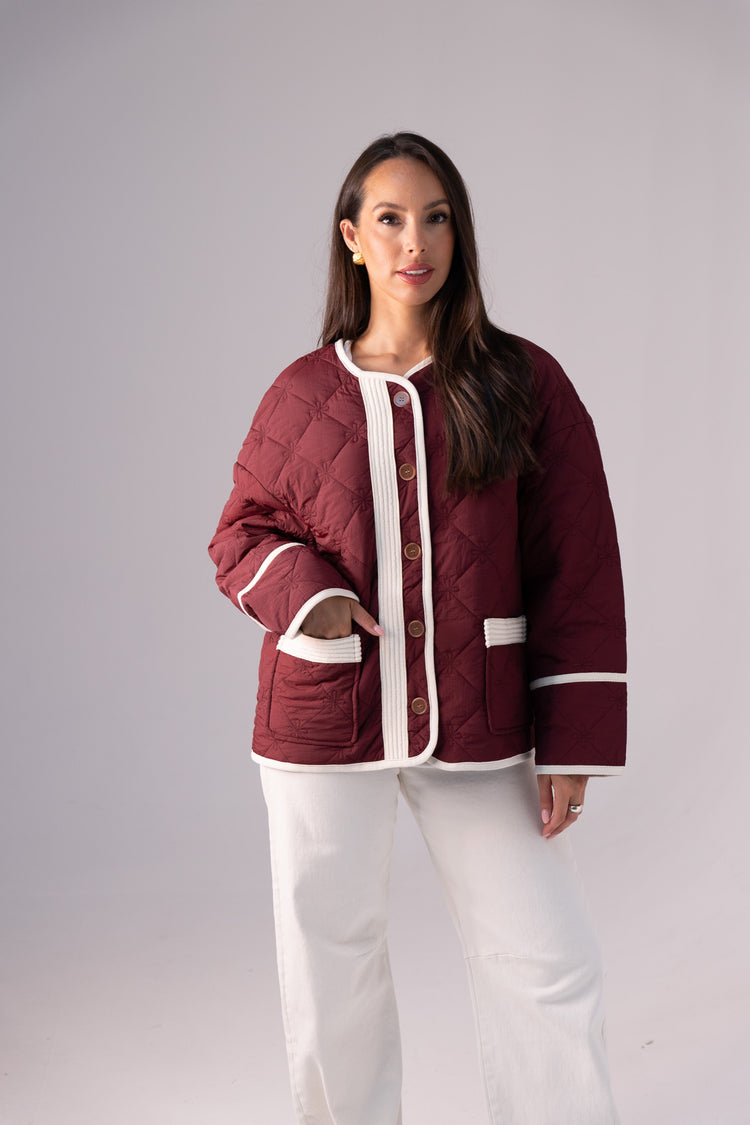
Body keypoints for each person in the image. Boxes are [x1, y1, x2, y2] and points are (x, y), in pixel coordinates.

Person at [208, 132, 626, 1125]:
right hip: (323, 714)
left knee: (548, 958)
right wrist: (310, 598)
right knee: (332, 962)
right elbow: (239, 535)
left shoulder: (523, 381)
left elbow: (577, 566)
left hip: (482, 719)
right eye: (390, 219)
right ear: (351, 238)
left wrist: (571, 738)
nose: (416, 242)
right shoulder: (302, 393)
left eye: (436, 218)